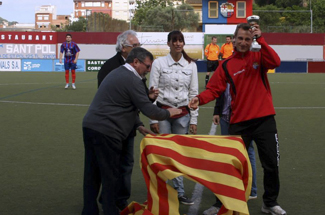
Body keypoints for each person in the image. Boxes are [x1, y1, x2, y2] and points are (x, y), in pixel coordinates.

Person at [189, 23, 286, 215]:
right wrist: (199, 99)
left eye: (247, 39)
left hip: (265, 121)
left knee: (271, 164)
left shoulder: (259, 57)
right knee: (230, 167)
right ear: (234, 39)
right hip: (239, 123)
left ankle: (269, 203)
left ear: (252, 41)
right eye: (240, 38)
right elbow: (214, 89)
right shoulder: (226, 64)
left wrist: (261, 39)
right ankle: (221, 203)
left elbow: (275, 62)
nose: (243, 42)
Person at [82, 47, 182, 215]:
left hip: (91, 127)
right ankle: (110, 210)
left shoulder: (118, 73)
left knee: (92, 173)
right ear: (136, 62)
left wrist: (138, 125)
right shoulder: (132, 79)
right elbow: (148, 109)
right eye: (147, 66)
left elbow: (124, 104)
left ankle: (89, 210)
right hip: (108, 131)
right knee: (110, 176)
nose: (149, 70)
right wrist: (168, 112)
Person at [97, 30, 157, 211]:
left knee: (126, 164)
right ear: (124, 48)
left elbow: (137, 99)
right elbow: (110, 99)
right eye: (135, 46)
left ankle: (121, 200)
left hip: (128, 126)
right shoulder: (110, 67)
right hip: (111, 128)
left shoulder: (137, 69)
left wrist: (148, 97)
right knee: (111, 167)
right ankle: (108, 202)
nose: (139, 48)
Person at [149, 30, 199, 206]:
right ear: (168, 43)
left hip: (182, 115)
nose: (178, 44)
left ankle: (179, 192)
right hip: (163, 113)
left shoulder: (191, 65)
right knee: (163, 153)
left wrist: (194, 119)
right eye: (174, 41)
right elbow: (152, 93)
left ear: (183, 43)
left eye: (180, 41)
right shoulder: (159, 63)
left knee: (178, 155)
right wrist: (153, 119)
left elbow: (194, 94)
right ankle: (162, 191)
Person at [203, 84, 258, 215]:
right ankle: (230, 190)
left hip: (243, 119)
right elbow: (220, 91)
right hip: (225, 117)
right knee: (227, 153)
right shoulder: (225, 68)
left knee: (247, 152)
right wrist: (217, 111)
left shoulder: (244, 68)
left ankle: (250, 190)